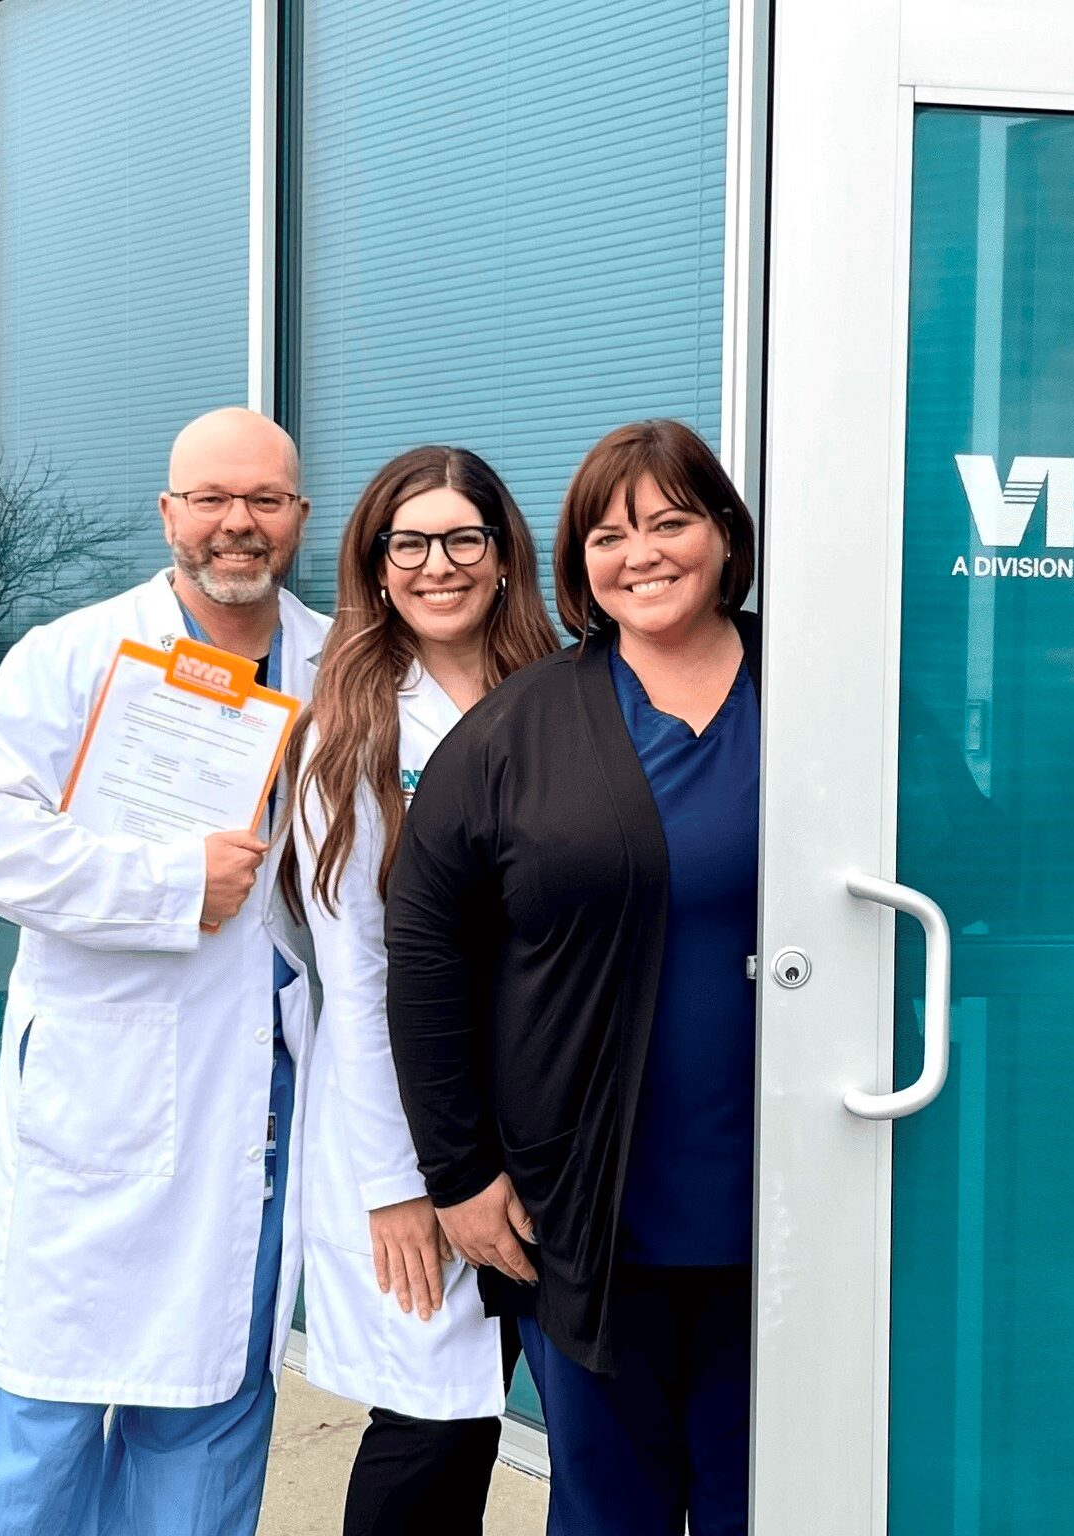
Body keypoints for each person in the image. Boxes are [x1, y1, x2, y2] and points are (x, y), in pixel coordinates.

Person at [0, 407, 329, 1536]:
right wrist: (167, 884)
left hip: (254, 1108)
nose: (236, 525)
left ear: (298, 518)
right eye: (211, 499)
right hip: (100, 1101)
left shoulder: (339, 662)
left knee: (210, 1413)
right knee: (37, 1415)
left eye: (263, 501)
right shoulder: (73, 655)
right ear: (170, 513)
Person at [384, 419, 760, 1536]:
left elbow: (958, 869)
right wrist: (457, 1172)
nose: (640, 553)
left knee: (774, 1496)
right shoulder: (517, 731)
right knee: (610, 1507)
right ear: (576, 564)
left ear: (726, 537)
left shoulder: (835, 699)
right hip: (588, 1217)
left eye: (669, 522)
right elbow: (427, 954)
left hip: (795, 1201)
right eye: (607, 533)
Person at [279, 445, 557, 1534]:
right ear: (376, 564)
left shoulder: (564, 690)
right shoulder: (348, 722)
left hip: (547, 1109)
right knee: (434, 1419)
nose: (436, 564)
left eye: (462, 538)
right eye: (410, 542)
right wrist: (403, 1181)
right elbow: (356, 969)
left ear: (501, 556)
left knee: (545, 1411)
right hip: (412, 1126)